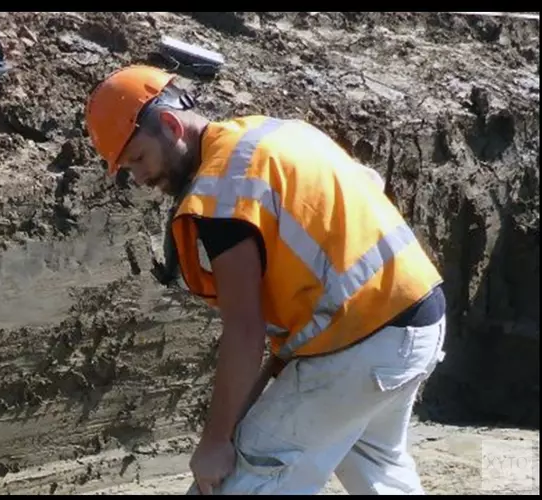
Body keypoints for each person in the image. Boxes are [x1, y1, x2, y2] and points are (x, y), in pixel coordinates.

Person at [84, 64, 447, 495]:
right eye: (128, 169)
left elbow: (245, 328)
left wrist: (217, 442)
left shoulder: (222, 193)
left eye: (139, 158)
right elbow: (365, 189)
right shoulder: (268, 135)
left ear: (169, 123)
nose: (140, 178)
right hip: (415, 321)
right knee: (377, 467)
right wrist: (239, 416)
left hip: (360, 341)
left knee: (242, 483)